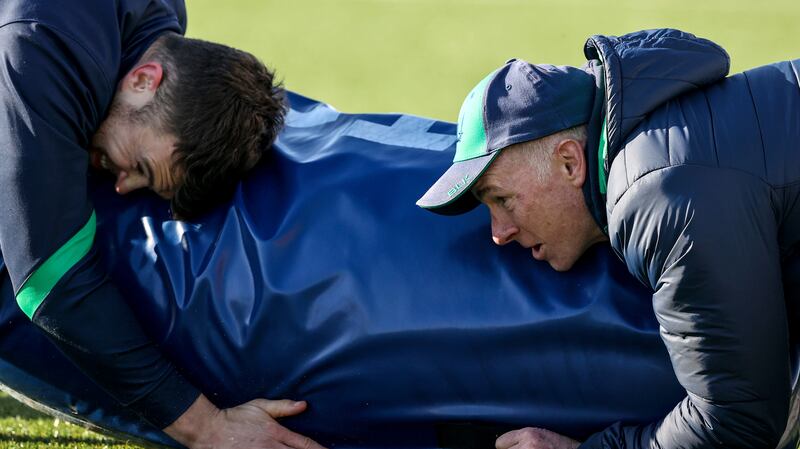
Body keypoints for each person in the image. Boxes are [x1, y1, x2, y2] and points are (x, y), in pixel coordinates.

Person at [417, 28, 800, 448]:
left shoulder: (653, 194)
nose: (498, 233)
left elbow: (736, 421)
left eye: (502, 199)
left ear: (569, 162)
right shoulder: (662, 142)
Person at [0, 1, 325, 448]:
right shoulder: (38, 48)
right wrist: (208, 428)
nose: (121, 186)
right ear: (144, 79)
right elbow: (49, 282)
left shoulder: (158, 18)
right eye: (140, 167)